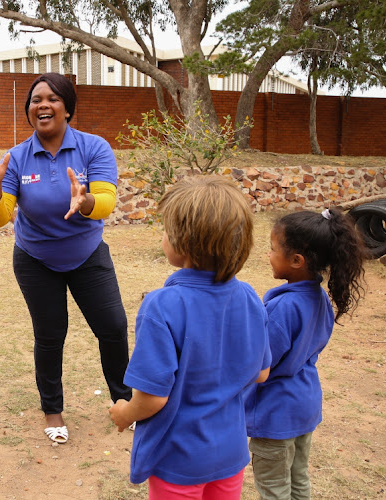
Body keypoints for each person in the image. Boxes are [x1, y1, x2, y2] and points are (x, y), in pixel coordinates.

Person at [0, 72, 132, 444]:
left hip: (87, 253)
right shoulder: (16, 157)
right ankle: (53, 411)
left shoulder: (94, 148)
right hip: (35, 259)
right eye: (35, 100)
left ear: (67, 108)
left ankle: (126, 403)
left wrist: (86, 201)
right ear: (30, 111)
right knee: (50, 335)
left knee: (112, 328)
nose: (42, 105)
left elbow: (107, 203)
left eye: (52, 99)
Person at [109, 175, 271, 499]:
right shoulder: (250, 296)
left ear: (183, 244)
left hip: (179, 459)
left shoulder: (162, 306)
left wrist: (124, 413)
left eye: (167, 231)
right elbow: (262, 372)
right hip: (231, 454)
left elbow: (153, 397)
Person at [245, 208, 366, 499]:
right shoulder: (320, 298)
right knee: (298, 480)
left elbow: (261, 364)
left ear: (297, 261)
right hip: (304, 405)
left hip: (276, 413)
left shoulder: (283, 308)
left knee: (274, 488)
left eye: (273, 249)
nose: (269, 255)